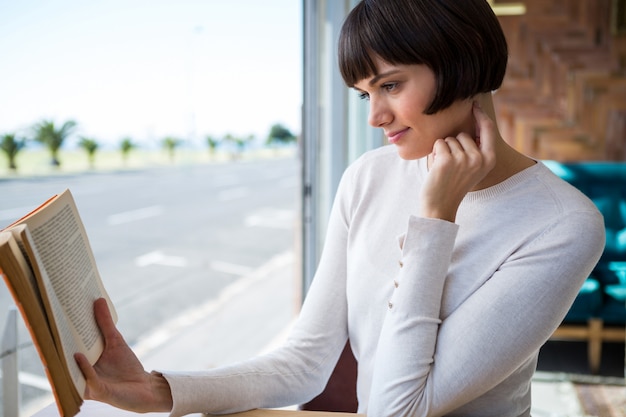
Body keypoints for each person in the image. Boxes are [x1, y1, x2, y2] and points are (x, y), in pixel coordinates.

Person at [75, 0, 606, 416]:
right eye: (362, 94)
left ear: (464, 59)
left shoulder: (562, 224)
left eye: (391, 85)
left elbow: (399, 409)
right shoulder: (368, 178)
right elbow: (306, 362)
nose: (376, 116)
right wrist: (159, 389)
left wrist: (434, 220)